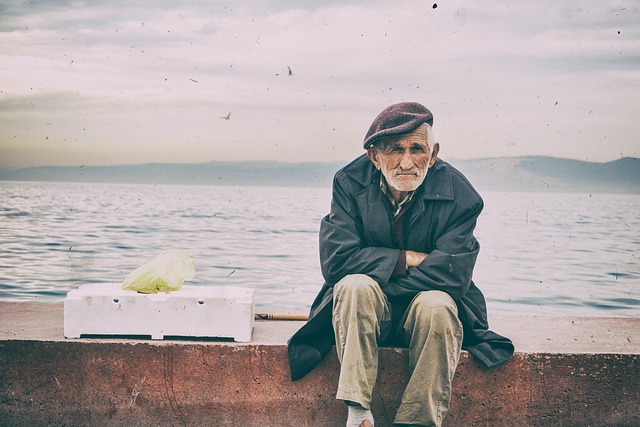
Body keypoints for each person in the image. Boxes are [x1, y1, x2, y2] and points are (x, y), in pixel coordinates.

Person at [288, 102, 514, 427]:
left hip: (424, 313)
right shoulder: (349, 183)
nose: (407, 162)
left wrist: (379, 272)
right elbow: (336, 262)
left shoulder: (462, 196)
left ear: (433, 155)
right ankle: (358, 415)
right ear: (375, 157)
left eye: (417, 149)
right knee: (353, 286)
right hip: (367, 310)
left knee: (437, 304)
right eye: (395, 149)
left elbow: (453, 277)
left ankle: (416, 423)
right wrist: (405, 259)